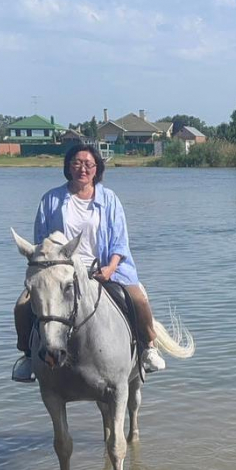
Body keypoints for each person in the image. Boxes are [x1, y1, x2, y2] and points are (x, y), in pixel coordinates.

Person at [12, 144, 166, 381]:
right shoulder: (51, 200)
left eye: (88, 164)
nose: (82, 168)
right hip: (60, 272)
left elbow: (120, 241)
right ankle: (28, 356)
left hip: (104, 269)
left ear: (96, 169)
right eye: (77, 163)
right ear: (68, 167)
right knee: (22, 306)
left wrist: (111, 267)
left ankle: (148, 348)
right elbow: (40, 242)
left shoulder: (110, 199)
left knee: (138, 299)